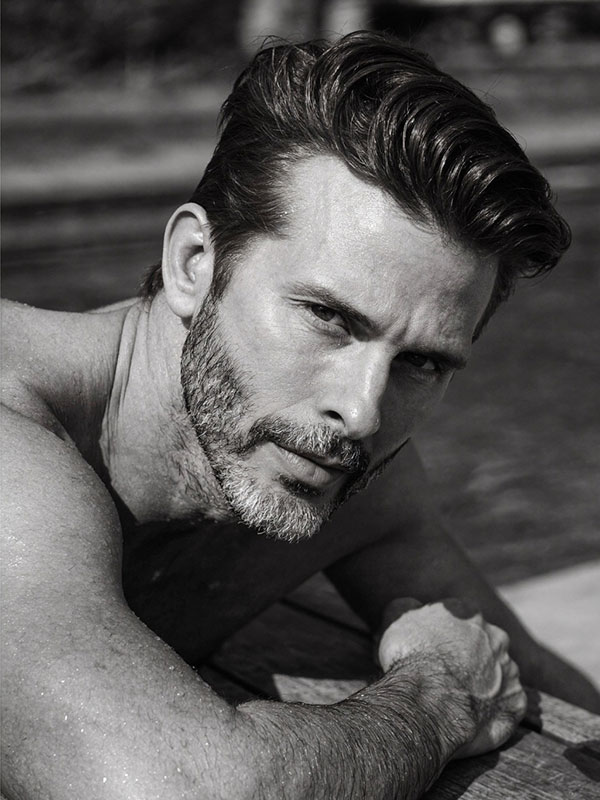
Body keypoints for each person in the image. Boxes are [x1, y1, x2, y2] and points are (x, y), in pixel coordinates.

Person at [2, 30, 598, 800]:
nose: (361, 410)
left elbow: (523, 672)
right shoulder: (15, 434)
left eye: (422, 362)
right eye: (327, 317)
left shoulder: (345, 472)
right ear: (194, 264)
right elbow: (176, 789)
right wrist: (439, 696)